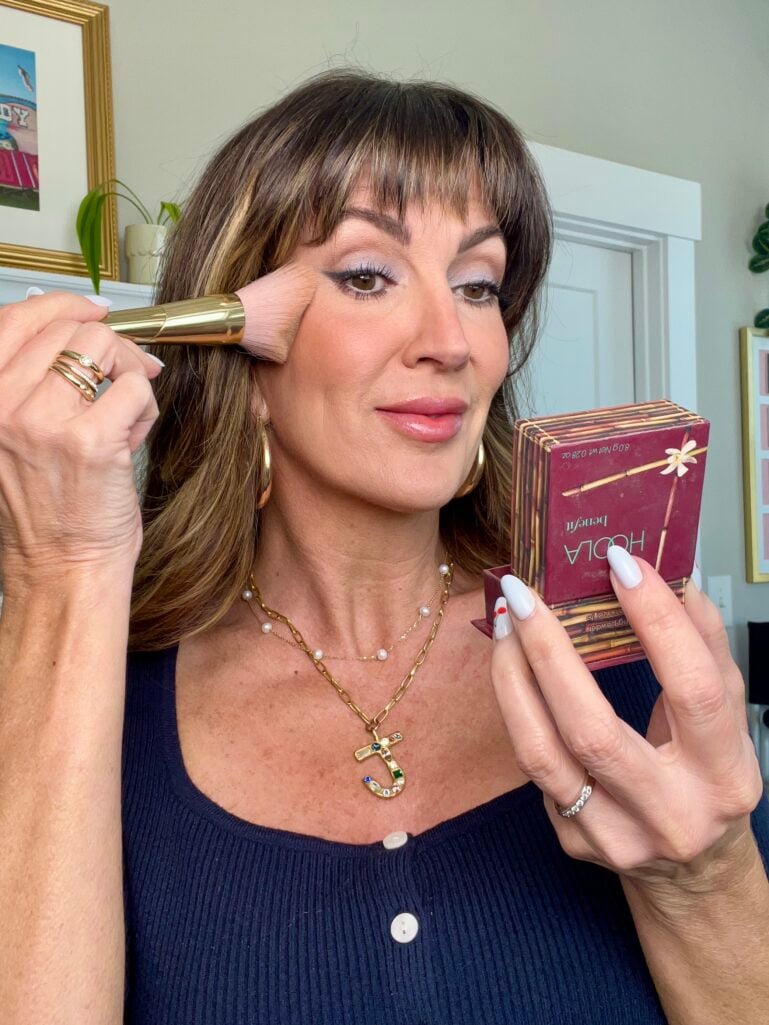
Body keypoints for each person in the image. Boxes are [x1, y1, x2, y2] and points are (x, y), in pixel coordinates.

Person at [2, 67, 768, 1025]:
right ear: (240, 360)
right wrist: (57, 576)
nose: (449, 339)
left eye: (479, 285)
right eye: (367, 275)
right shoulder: (91, 704)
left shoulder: (615, 665)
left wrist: (701, 878)